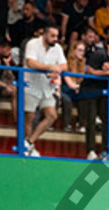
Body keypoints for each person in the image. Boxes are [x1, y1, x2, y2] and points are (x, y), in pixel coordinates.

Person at [22, 24, 66, 158]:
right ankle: (29, 149)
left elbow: (64, 65)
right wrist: (50, 68)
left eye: (57, 36)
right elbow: (31, 63)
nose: (55, 39)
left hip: (47, 87)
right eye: (52, 36)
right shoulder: (32, 43)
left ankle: (29, 142)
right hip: (30, 85)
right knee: (29, 118)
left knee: (52, 115)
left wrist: (58, 69)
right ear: (45, 35)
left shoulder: (57, 48)